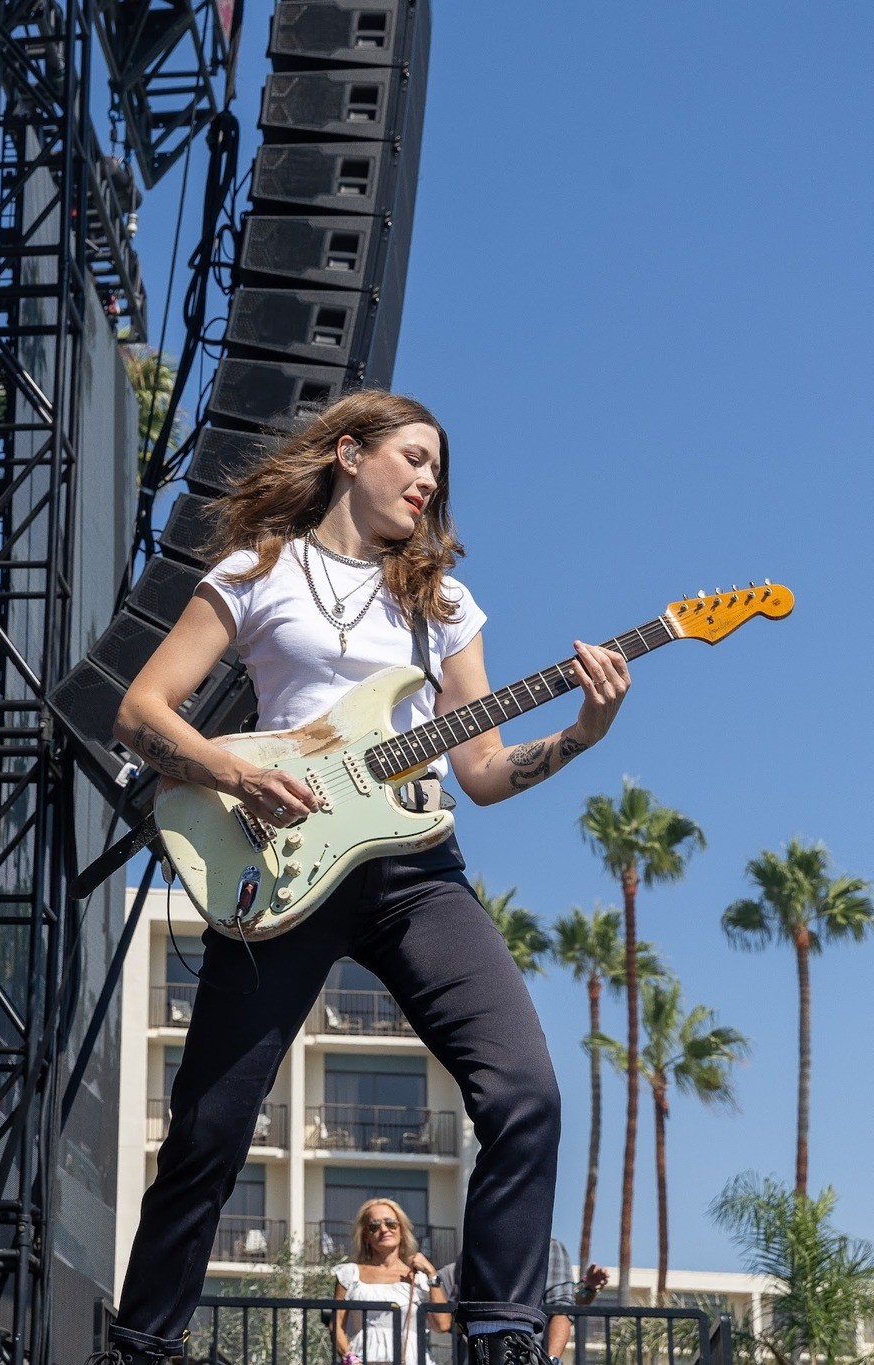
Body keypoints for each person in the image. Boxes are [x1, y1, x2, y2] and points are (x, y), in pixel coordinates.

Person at [102, 391, 633, 1365]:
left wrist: (578, 734)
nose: (429, 481)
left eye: (438, 470)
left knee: (526, 1093)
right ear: (348, 453)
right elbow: (142, 712)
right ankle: (138, 1347)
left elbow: (478, 773)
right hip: (279, 869)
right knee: (208, 1130)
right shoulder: (257, 571)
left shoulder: (440, 607)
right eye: (414, 457)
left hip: (416, 877)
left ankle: (498, 1337)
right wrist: (234, 773)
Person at [332, 1200, 451, 1365]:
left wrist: (431, 1273)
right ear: (365, 1235)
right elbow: (335, 1325)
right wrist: (350, 1359)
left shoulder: (419, 1278)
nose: (384, 1229)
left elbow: (442, 1325)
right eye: (374, 1225)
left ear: (401, 1230)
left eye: (391, 1223)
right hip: (365, 1359)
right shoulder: (350, 1274)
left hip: (412, 1360)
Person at [438, 1248, 609, 1363]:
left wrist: (551, 1360)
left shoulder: (550, 1248)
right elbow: (449, 1318)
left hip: (529, 1358)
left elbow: (562, 1309)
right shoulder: (473, 1251)